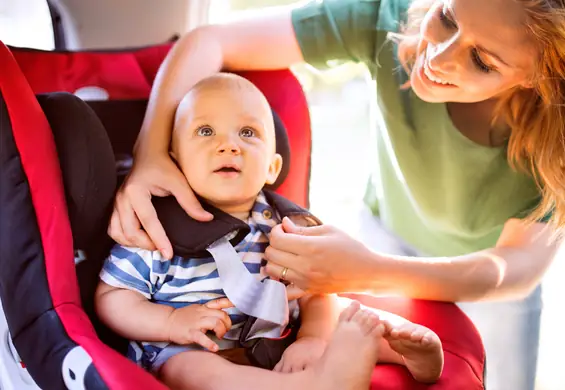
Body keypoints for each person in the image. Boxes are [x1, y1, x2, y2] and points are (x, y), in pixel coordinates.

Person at [107, 1, 565, 389]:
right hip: (385, 230)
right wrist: (150, 153)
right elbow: (209, 42)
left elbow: (514, 270)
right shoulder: (386, 18)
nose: (437, 57)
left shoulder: (556, 129)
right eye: (446, 16)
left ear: (541, 75)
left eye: (482, 61)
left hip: (491, 281)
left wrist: (369, 271)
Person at [96, 73, 444, 389]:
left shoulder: (286, 225)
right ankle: (311, 385)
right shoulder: (155, 228)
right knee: (192, 372)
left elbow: (316, 292)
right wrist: (171, 322)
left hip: (280, 337)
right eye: (205, 132)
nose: (228, 145)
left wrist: (311, 339)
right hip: (191, 348)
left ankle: (405, 350)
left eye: (247, 133)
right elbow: (113, 298)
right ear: (172, 160)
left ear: (272, 167)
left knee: (344, 314)